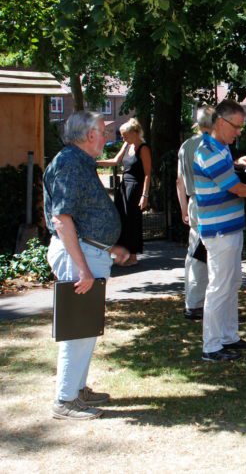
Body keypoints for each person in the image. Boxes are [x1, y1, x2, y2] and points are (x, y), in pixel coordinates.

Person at [44, 111, 130, 420]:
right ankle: (65, 400)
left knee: (85, 326)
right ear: (88, 135)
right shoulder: (69, 164)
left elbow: (81, 217)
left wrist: (109, 248)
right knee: (77, 328)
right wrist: (83, 268)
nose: (107, 137)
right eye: (103, 131)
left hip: (87, 252)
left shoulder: (78, 162)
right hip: (77, 256)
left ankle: (77, 390)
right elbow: (62, 219)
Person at [193, 99, 246, 362]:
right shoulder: (208, 151)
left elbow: (226, 175)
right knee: (220, 286)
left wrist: (235, 164)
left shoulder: (220, 148)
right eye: (236, 126)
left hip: (229, 227)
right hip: (219, 230)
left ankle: (229, 337)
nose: (239, 132)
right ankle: (211, 346)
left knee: (232, 283)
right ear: (221, 122)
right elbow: (238, 189)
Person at [176, 106, 216, 320]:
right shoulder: (213, 145)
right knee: (205, 254)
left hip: (194, 202)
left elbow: (179, 182)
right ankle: (198, 303)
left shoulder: (186, 146)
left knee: (196, 253)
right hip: (209, 202)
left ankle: (194, 301)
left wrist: (184, 209)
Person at [97, 118, 152, 266]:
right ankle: (124, 254)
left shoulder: (143, 148)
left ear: (135, 133)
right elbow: (115, 161)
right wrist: (94, 162)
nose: (123, 138)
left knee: (132, 221)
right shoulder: (127, 145)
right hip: (124, 187)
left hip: (135, 188)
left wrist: (144, 195)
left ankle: (133, 257)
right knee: (121, 219)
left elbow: (148, 174)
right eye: (122, 135)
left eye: (125, 135)